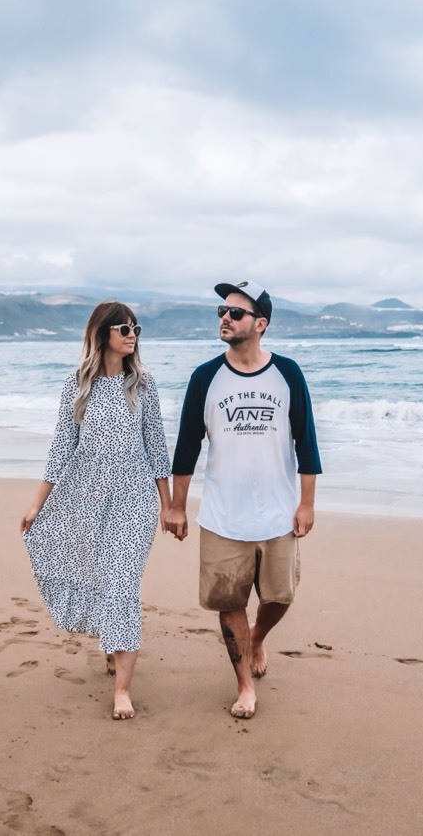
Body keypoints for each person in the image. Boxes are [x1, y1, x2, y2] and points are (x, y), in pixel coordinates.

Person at [163, 281, 322, 719]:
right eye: (221, 312)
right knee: (228, 602)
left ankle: (258, 636)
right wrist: (177, 506)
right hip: (222, 515)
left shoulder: (288, 373)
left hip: (278, 512)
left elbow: (306, 443)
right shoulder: (204, 378)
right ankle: (244, 685)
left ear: (261, 324)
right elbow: (185, 449)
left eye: (235, 313)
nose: (225, 319)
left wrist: (306, 504)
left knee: (281, 596)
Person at [21, 301, 172, 720]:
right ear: (102, 332)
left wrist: (169, 505)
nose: (132, 335)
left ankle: (122, 690)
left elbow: (157, 446)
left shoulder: (143, 385)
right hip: (85, 494)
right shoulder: (77, 385)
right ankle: (113, 643)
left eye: (136, 328)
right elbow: (61, 446)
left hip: (134, 498)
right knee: (99, 575)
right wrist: (38, 504)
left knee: (122, 582)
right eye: (124, 328)